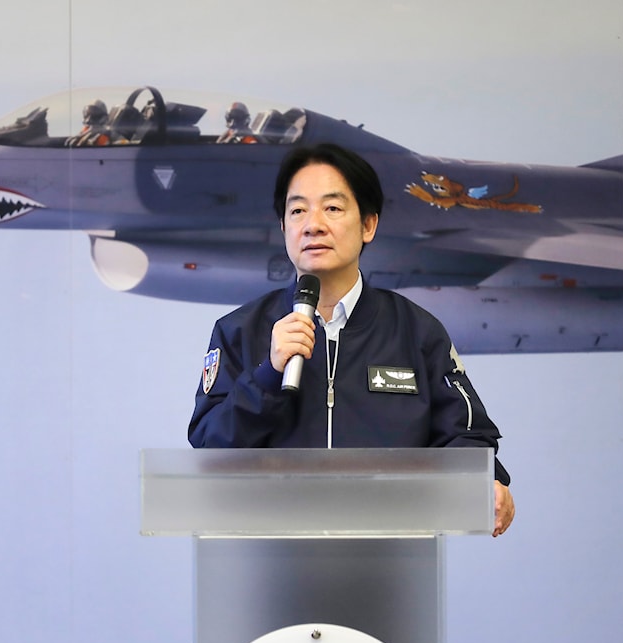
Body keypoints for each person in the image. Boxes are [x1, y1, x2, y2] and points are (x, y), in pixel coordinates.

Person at [188, 143, 515, 536]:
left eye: (332, 208)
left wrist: (485, 482)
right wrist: (267, 377)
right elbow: (209, 449)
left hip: (389, 565)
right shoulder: (239, 330)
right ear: (283, 227)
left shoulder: (416, 331)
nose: (313, 224)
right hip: (269, 567)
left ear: (368, 225)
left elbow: (465, 434)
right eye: (297, 211)